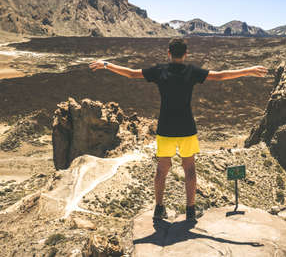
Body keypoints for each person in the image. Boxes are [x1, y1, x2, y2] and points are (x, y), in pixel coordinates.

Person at [89, 37, 267, 222]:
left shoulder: (160, 70)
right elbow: (220, 75)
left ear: (168, 53)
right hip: (187, 128)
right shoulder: (191, 71)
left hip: (165, 128)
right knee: (189, 170)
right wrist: (249, 70)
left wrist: (106, 64)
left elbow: (132, 74)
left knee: (161, 170)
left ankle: (159, 209)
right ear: (186, 54)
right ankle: (190, 211)